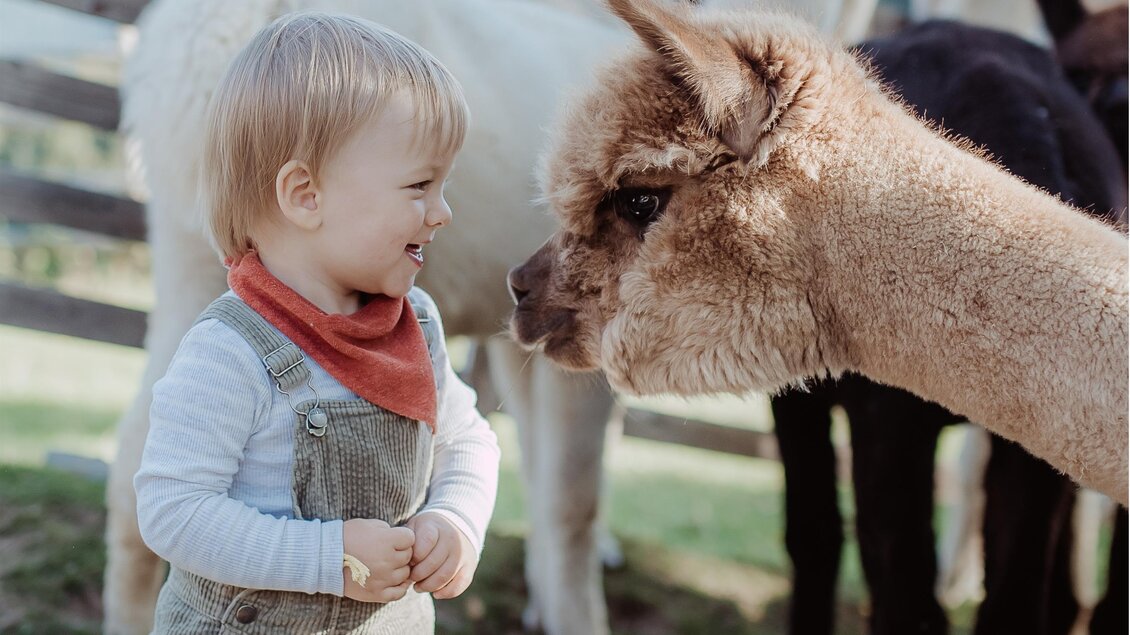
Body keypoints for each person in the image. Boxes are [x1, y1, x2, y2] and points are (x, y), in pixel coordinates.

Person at [134, 11, 500, 633]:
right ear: (306, 195)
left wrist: (456, 521)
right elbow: (175, 511)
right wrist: (327, 559)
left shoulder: (417, 328)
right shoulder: (231, 351)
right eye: (420, 185)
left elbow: (468, 441)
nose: (442, 212)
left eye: (443, 185)